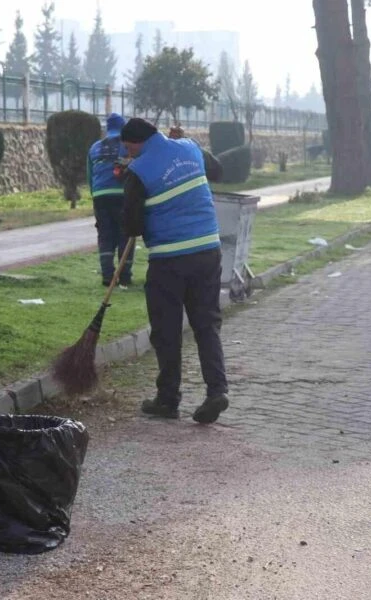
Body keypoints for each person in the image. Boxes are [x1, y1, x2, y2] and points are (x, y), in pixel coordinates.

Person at [119, 118, 228, 424]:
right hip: (208, 250)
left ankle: (168, 399)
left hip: (169, 259)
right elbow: (218, 171)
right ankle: (216, 390)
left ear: (136, 143)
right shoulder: (190, 147)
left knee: (167, 331)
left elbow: (132, 226)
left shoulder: (138, 171)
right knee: (206, 324)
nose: (129, 155)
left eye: (129, 149)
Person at [87, 112, 135, 287]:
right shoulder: (127, 146)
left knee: (105, 235)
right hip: (122, 196)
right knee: (125, 233)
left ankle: (107, 276)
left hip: (100, 196)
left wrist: (96, 195)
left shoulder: (94, 148)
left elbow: (89, 175)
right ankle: (124, 276)